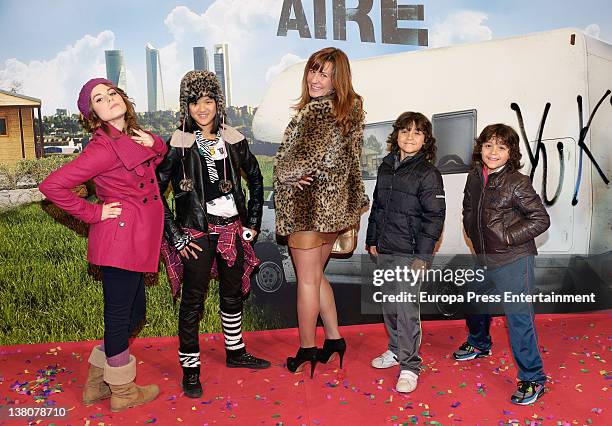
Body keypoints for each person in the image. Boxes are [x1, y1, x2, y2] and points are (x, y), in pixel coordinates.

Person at [39, 78, 166, 412]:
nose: (109, 99)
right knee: (120, 315)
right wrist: (94, 213)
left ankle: (97, 383)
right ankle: (122, 391)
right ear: (91, 113)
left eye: (112, 92)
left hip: (136, 239)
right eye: (99, 98)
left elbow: (159, 157)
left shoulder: (129, 138)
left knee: (134, 312)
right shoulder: (102, 147)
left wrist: (153, 141)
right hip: (120, 240)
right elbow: (52, 186)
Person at [156, 70, 270, 399]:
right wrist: (176, 234)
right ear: (186, 106)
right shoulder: (179, 142)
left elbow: (256, 178)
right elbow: (154, 189)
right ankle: (190, 370)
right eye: (194, 102)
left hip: (233, 229)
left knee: (233, 295)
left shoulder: (233, 137)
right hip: (196, 232)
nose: (202, 108)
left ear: (218, 103)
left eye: (208, 101)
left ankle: (235, 353)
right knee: (193, 301)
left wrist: (253, 222)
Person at [273, 47, 368, 377]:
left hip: (309, 210)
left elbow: (301, 161)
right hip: (332, 211)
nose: (315, 78)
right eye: (313, 70)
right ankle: (334, 339)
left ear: (336, 80)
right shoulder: (346, 111)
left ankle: (306, 349)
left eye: (324, 74)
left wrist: (284, 171)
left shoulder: (318, 113)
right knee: (316, 277)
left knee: (307, 281)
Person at [453, 123, 550, 405]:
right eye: (488, 145)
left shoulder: (517, 182)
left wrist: (508, 237)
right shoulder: (474, 176)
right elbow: (468, 209)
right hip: (483, 256)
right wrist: (473, 238)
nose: (493, 152)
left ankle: (533, 378)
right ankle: (479, 343)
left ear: (511, 153)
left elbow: (541, 219)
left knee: (518, 320)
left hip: (513, 259)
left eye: (501, 147)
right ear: (480, 148)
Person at [365, 112, 446, 393]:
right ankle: (396, 350)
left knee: (406, 311)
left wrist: (423, 257)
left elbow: (435, 218)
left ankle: (410, 365)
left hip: (410, 255)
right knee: (389, 306)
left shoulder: (428, 173)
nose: (410, 137)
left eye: (417, 132)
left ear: (426, 140)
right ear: (396, 135)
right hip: (385, 249)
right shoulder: (387, 166)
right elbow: (377, 206)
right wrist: (372, 238)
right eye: (405, 131)